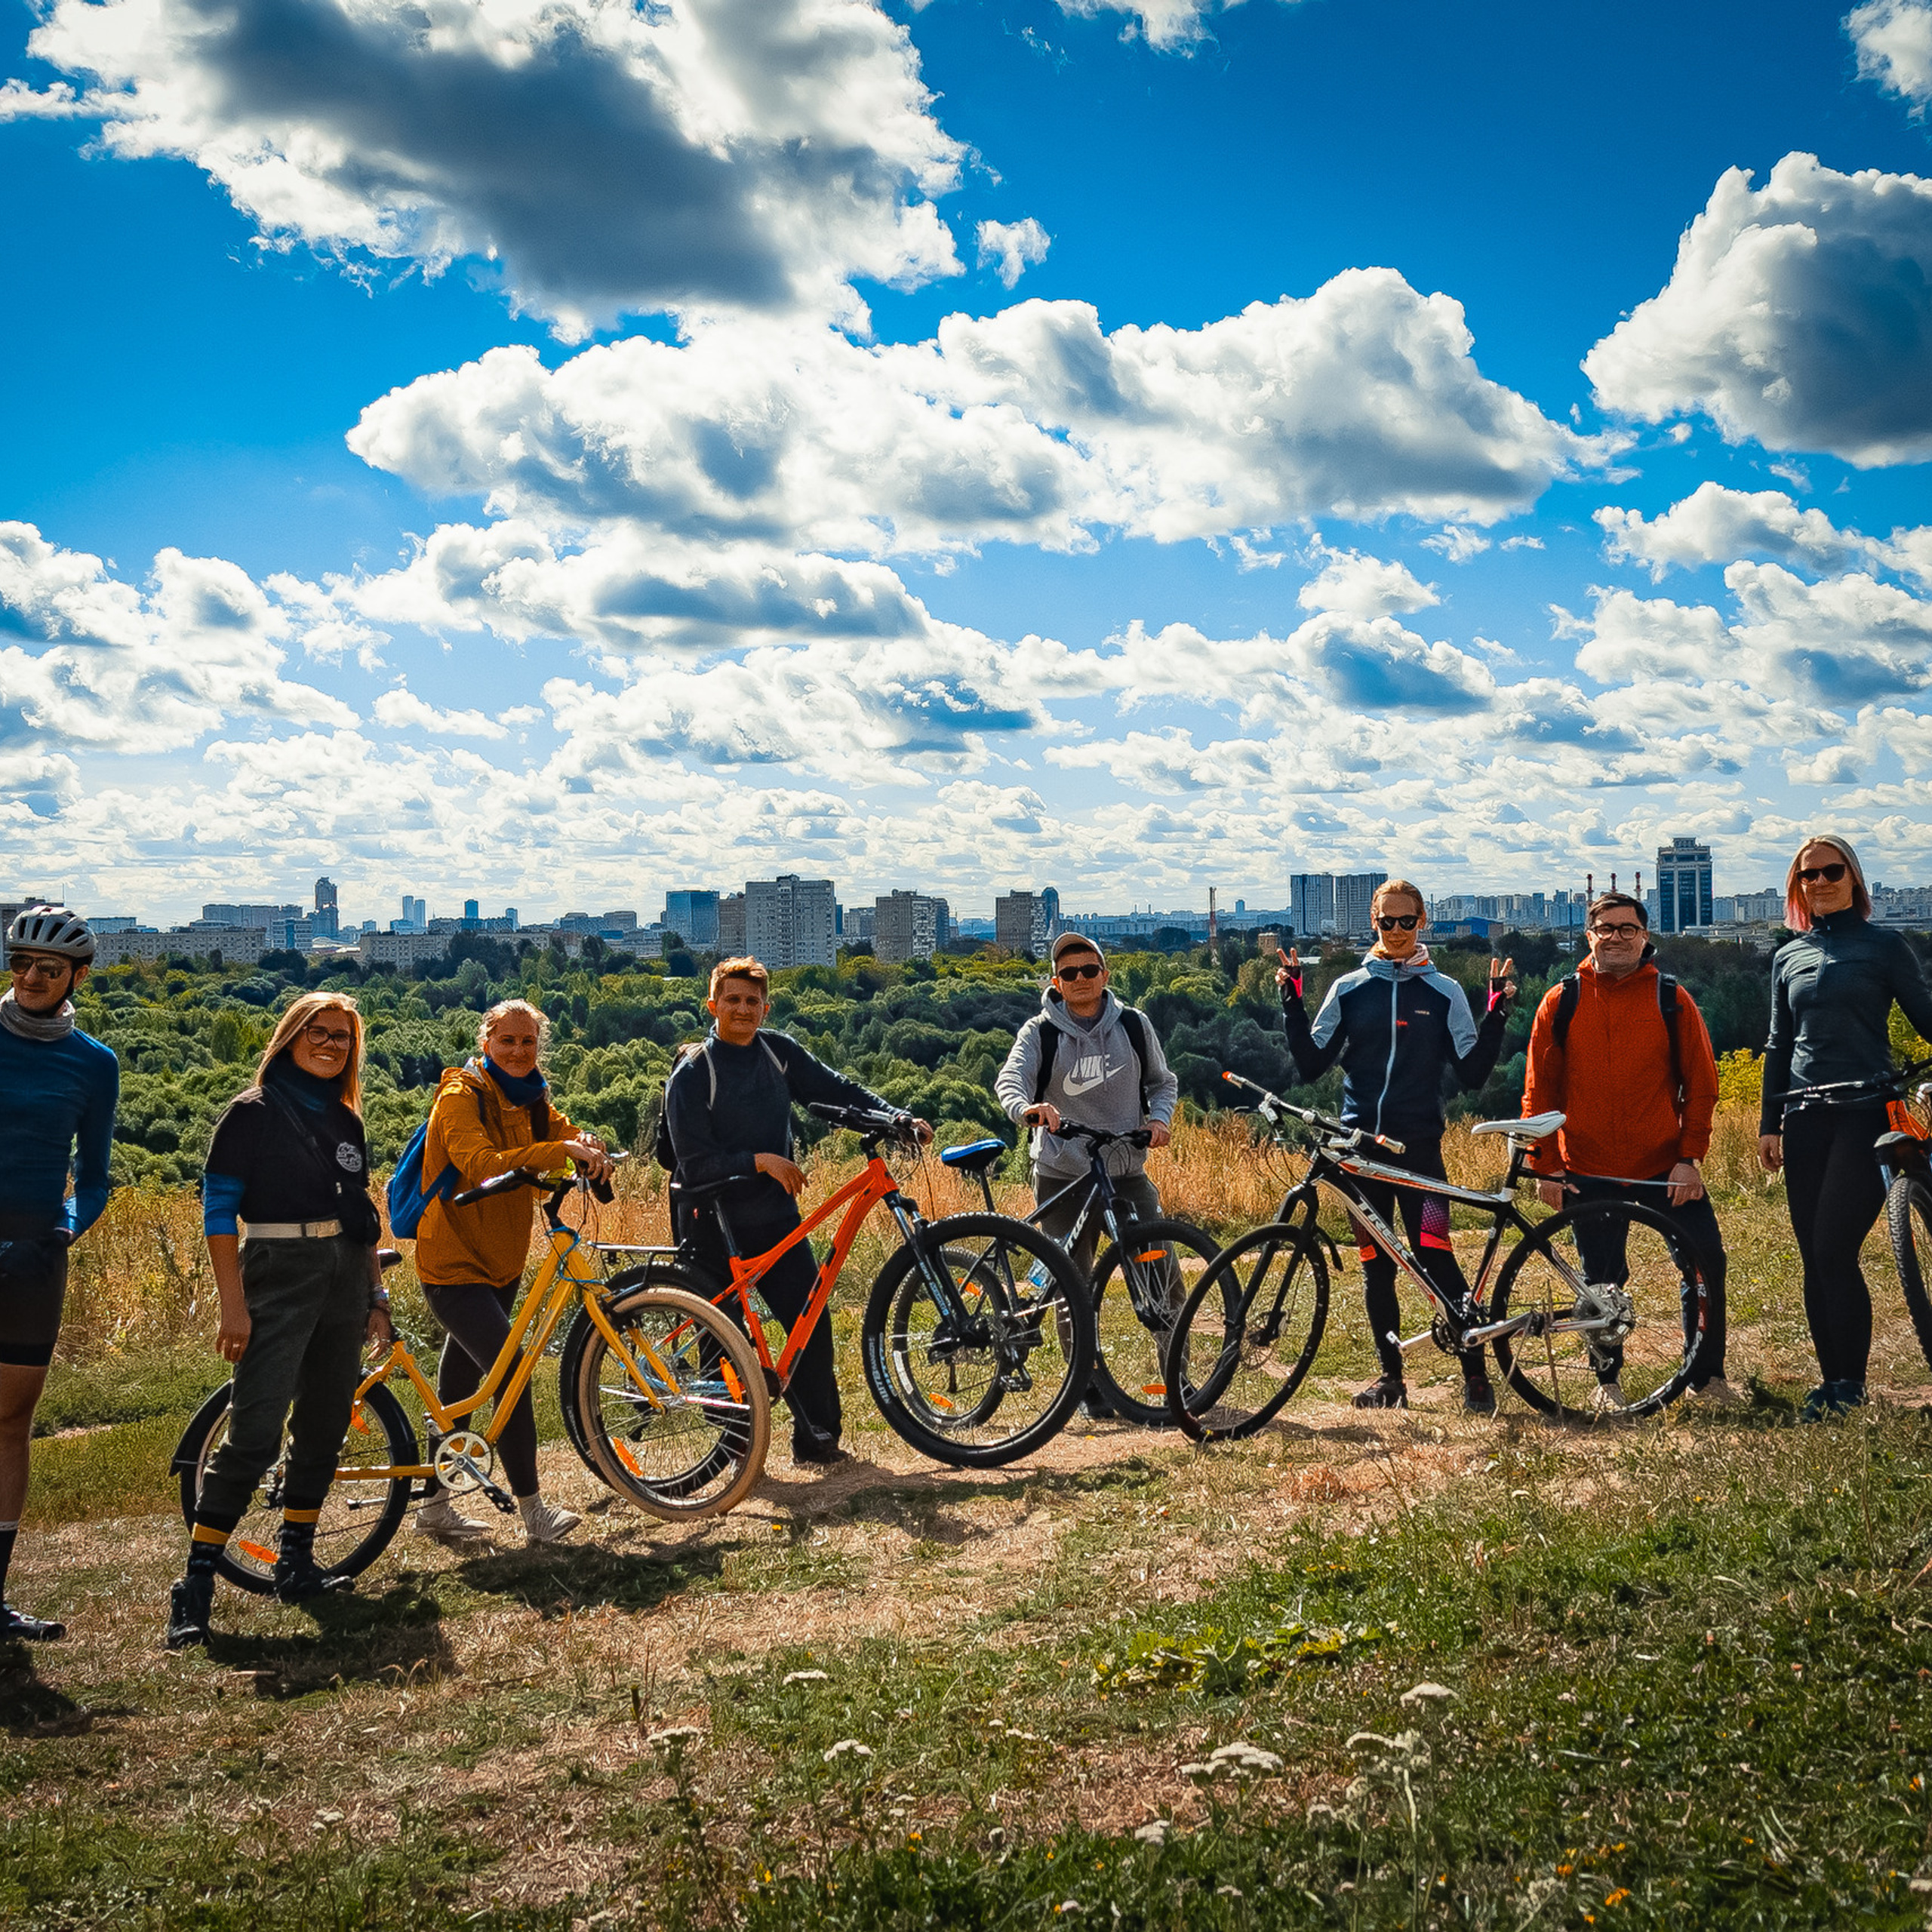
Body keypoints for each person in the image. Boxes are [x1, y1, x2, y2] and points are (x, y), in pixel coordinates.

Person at [166, 992, 391, 1650]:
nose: (329, 1045)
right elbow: (218, 1216)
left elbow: (363, 1215)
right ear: (290, 1037)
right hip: (279, 1268)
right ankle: (197, 1581)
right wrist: (231, 1306)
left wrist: (376, 1297)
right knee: (255, 1432)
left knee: (323, 1424)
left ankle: (297, 1562)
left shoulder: (346, 1119)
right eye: (317, 1033)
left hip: (345, 1273)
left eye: (342, 1038)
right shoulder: (251, 1113)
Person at [664, 956, 931, 1467]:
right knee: (724, 1339)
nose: (742, 1009)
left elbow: (836, 1089)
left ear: (766, 1007)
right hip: (710, 1223)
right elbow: (693, 1166)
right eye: (732, 1000)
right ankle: (731, 1451)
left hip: (774, 1219)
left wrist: (894, 1116)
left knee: (810, 1322)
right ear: (712, 1005)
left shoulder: (776, 1051)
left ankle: (818, 1439)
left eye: (752, 1001)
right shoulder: (695, 1071)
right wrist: (759, 1161)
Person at [1276, 880, 1514, 1412]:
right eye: (1388, 922)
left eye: (1408, 921)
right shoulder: (1349, 989)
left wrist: (1496, 1013)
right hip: (1361, 1157)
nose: (1399, 931)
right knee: (1374, 1265)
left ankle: (1476, 1377)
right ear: (1374, 921)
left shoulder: (1444, 991)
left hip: (1421, 1155)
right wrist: (1290, 1000)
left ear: (1423, 919)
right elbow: (1311, 1062)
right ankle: (1391, 1380)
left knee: (1438, 1257)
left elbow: (1474, 1075)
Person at [410, 998, 614, 1546]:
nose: (520, 1051)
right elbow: (477, 1163)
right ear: (486, 1043)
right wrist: (559, 1151)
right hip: (452, 1260)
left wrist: (587, 1145)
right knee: (513, 1371)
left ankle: (433, 1505)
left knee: (460, 1382)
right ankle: (534, 1513)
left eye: (528, 1042)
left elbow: (563, 1131)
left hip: (501, 1259)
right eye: (508, 1042)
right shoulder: (460, 1095)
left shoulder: (532, 1095)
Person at [1521, 892, 1735, 1411]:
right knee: (1600, 1283)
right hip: (1587, 1166)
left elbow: (1702, 1084)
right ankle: (1606, 1382)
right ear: (1588, 935)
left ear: (1644, 936)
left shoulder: (1671, 997)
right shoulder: (1561, 999)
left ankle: (1707, 1378)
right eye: (1606, 928)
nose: (1617, 937)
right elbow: (1539, 1091)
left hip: (1662, 1165)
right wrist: (1545, 1167)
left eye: (1628, 928)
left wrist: (1691, 1158)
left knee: (1705, 1266)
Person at [1759, 835, 1932, 1421]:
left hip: (1867, 1112)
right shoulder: (1788, 956)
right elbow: (1779, 1044)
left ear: (1855, 879)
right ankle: (1830, 1384)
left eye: (1833, 871)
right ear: (1797, 887)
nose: (1821, 881)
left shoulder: (1886, 947)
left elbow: (1926, 1017)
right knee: (1813, 1256)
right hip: (1805, 1113)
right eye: (1809, 875)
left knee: (1835, 1248)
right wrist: (1768, 1123)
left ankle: (1852, 1387)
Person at [993, 932, 1180, 1419]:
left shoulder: (1134, 1026)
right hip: (1063, 1173)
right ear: (1057, 982)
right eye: (1069, 973)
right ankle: (1087, 1386)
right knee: (1069, 1284)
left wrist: (1159, 1120)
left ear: (1105, 975)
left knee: (1161, 1272)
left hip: (1125, 1168)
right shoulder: (1041, 1032)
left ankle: (1177, 1376)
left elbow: (1163, 1082)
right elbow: (1010, 1079)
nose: (1080, 979)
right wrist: (1027, 1109)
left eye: (1089, 970)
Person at [0, 907, 118, 1642]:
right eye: (19, 964)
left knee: (10, 1422)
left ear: (76, 976)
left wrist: (67, 1226)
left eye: (48, 968)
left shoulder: (94, 1063)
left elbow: (98, 1175)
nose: (31, 978)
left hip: (34, 1258)